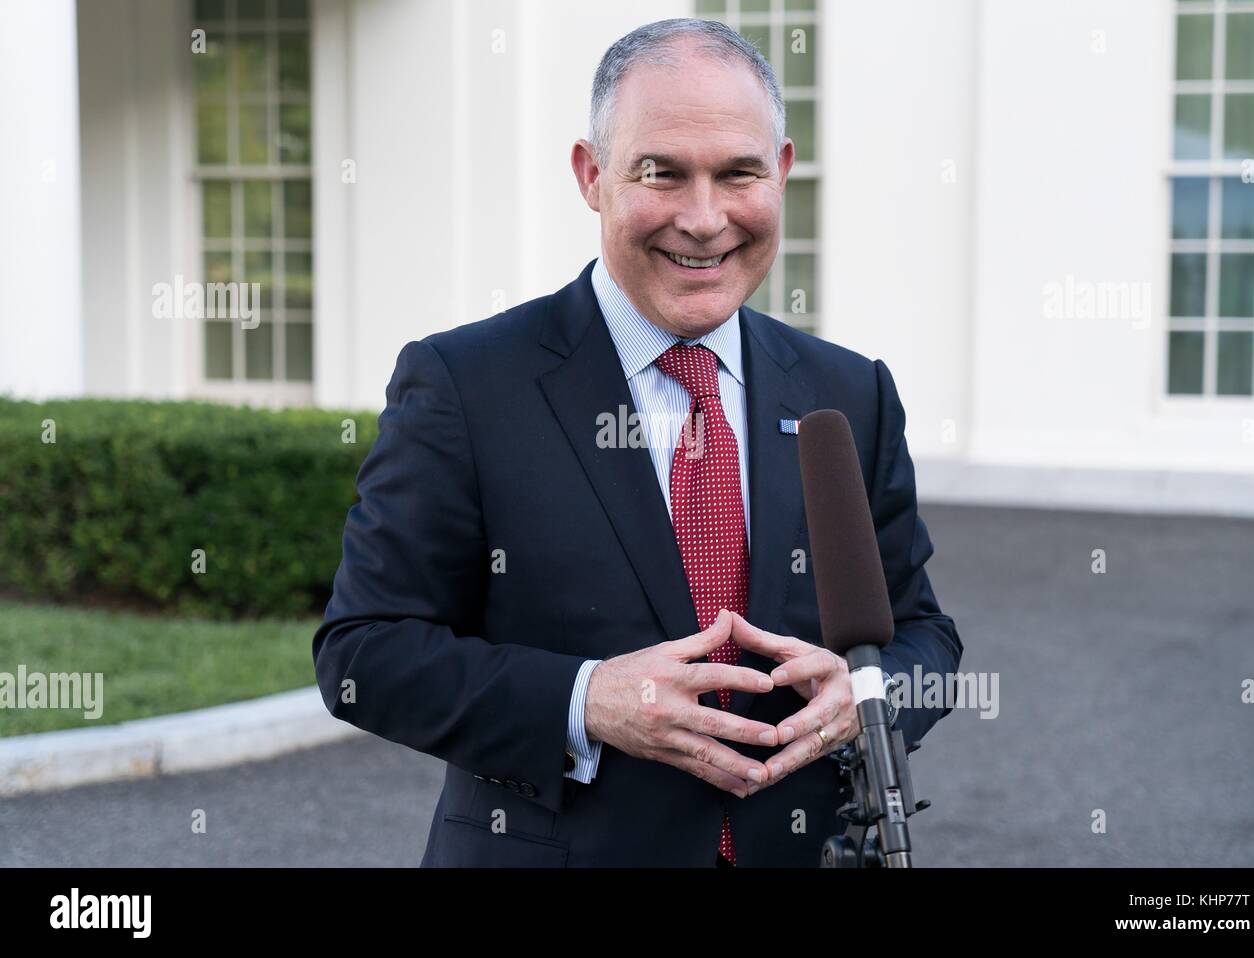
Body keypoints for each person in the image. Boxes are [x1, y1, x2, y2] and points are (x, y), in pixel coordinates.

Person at [313, 17, 962, 868]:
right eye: (663, 173)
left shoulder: (848, 393)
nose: (704, 219)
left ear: (783, 172)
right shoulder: (465, 385)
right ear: (592, 175)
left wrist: (864, 697)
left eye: (738, 174)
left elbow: (922, 636)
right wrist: (587, 700)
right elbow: (365, 652)